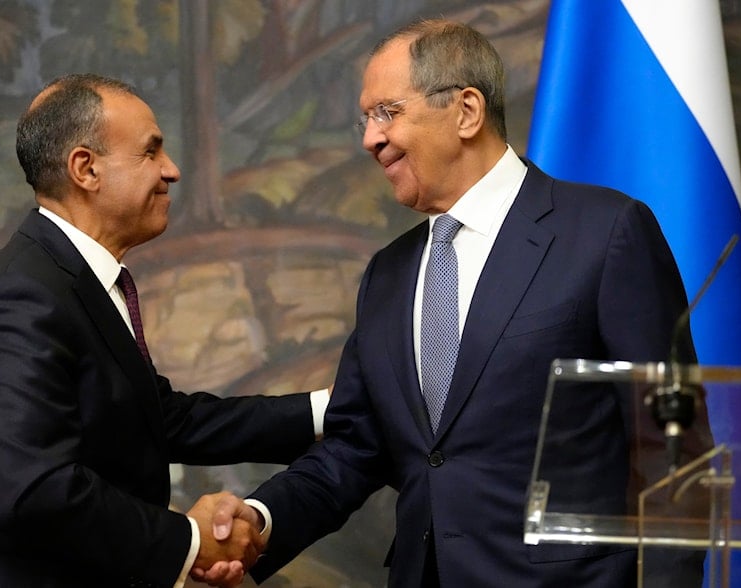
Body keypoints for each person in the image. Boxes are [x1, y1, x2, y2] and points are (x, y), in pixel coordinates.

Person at [200, 18, 706, 587]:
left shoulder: (606, 232)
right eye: (365, 120)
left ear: (466, 111)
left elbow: (673, 450)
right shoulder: (387, 275)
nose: (370, 139)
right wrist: (259, 521)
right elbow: (354, 448)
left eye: (386, 112)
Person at [0, 73, 328, 587]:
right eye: (151, 152)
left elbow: (163, 420)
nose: (171, 171)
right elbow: (35, 493)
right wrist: (193, 540)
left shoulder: (69, 279)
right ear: (85, 168)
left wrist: (326, 410)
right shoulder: (18, 298)